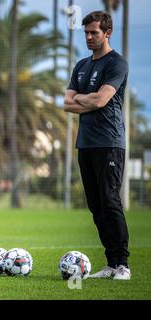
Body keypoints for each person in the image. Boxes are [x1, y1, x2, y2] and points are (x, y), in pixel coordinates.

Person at [64, 11, 130, 280]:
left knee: (110, 200)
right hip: (86, 144)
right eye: (86, 33)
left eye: (94, 33)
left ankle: (123, 264)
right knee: (95, 205)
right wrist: (85, 99)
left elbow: (101, 101)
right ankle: (111, 264)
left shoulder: (117, 63)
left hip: (110, 143)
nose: (89, 37)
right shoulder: (81, 66)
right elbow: (66, 104)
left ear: (107, 32)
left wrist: (83, 98)